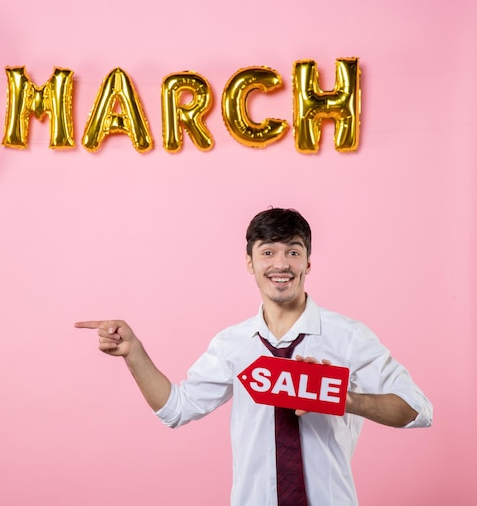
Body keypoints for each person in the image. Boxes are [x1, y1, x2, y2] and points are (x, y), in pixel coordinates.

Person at [75, 207, 433, 506]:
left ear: (308, 263)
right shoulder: (232, 344)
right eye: (267, 252)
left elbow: (417, 410)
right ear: (250, 262)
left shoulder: (350, 337)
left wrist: (341, 397)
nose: (282, 264)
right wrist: (133, 352)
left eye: (293, 251)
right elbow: (177, 409)